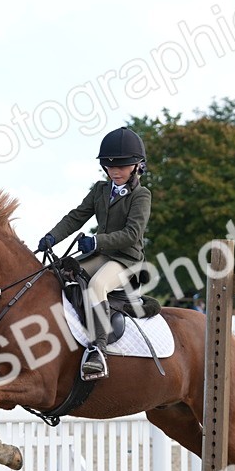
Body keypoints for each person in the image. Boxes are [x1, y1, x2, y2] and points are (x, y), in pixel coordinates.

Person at [37, 126, 151, 380]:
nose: (115, 171)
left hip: (126, 260)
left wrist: (97, 242)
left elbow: (132, 234)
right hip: (101, 255)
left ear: (137, 166)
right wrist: (52, 237)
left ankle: (98, 350)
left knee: (97, 285)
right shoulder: (100, 190)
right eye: (110, 166)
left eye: (121, 166)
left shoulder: (141, 195)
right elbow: (76, 217)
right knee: (57, 274)